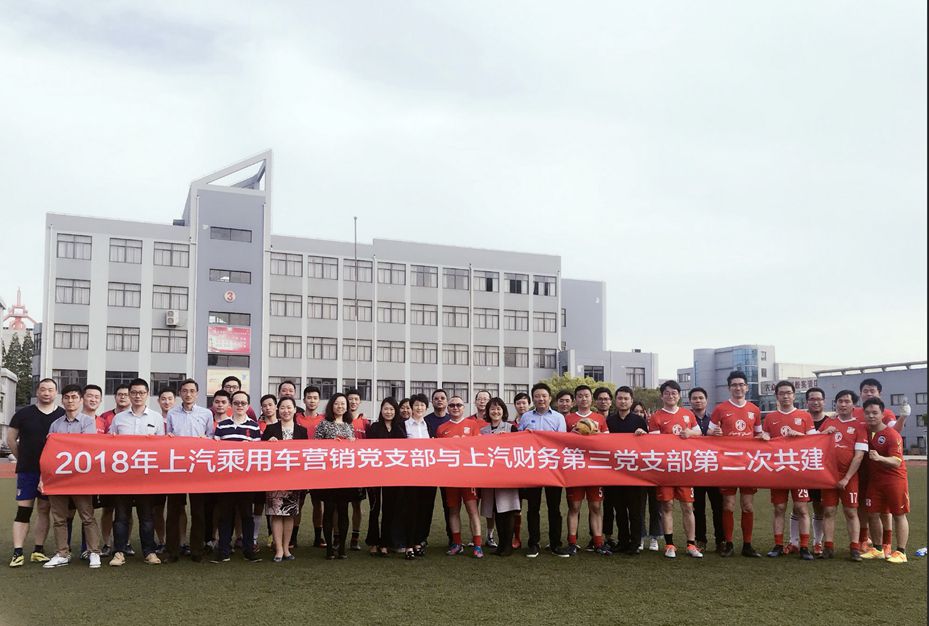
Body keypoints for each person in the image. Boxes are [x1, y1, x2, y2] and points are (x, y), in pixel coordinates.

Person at [641, 380, 703, 559]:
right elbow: (655, 442)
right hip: (665, 468)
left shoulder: (687, 414)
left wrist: (690, 433)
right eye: (667, 393)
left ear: (679, 395)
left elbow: (699, 432)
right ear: (662, 396)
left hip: (684, 467)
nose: (671, 396)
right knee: (667, 505)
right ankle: (669, 545)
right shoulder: (656, 417)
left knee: (688, 506)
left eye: (674, 393)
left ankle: (691, 545)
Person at [42, 384, 102, 569]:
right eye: (67, 397)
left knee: (87, 516)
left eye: (74, 397)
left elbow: (87, 448)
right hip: (58, 479)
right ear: (62, 400)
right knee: (59, 518)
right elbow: (49, 453)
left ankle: (94, 552)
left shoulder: (88, 422)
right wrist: (43, 478)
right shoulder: (55, 424)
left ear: (81, 400)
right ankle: (62, 553)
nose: (70, 400)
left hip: (81, 479)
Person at [708, 371, 765, 558]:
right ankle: (729, 543)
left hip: (748, 464)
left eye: (741, 384)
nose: (738, 387)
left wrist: (763, 436)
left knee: (747, 506)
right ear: (729, 388)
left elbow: (758, 434)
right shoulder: (720, 409)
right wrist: (714, 433)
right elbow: (708, 433)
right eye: (734, 385)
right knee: (728, 505)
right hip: (728, 463)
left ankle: (747, 545)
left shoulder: (754, 410)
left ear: (746, 387)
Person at [7, 378, 63, 568]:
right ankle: (17, 552)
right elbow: (11, 439)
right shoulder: (23, 414)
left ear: (56, 393)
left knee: (44, 510)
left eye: (50, 390)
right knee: (24, 511)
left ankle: (38, 550)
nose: (46, 393)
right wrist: (23, 458)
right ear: (37, 392)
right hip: (28, 471)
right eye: (43, 389)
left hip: (50, 472)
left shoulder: (62, 415)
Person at [109, 378, 165, 566]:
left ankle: (149, 552)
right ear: (129, 395)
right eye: (133, 392)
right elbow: (109, 445)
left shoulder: (156, 418)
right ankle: (119, 552)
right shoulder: (119, 418)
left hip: (146, 476)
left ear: (147, 394)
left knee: (147, 516)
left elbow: (162, 447)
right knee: (121, 516)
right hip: (122, 476)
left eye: (141, 392)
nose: (137, 396)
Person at [759, 381, 817, 560]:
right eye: (782, 393)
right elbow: (765, 440)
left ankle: (804, 546)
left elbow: (815, 442)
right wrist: (764, 437)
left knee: (801, 508)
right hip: (778, 470)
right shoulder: (770, 418)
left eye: (788, 393)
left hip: (799, 470)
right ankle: (778, 544)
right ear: (776, 396)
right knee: (779, 508)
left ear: (794, 395)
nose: (785, 396)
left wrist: (800, 436)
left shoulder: (804, 416)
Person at [852, 377, 907, 554]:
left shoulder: (887, 418)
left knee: (889, 511)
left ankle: (891, 546)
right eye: (865, 390)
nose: (871, 416)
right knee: (867, 508)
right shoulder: (855, 413)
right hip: (864, 471)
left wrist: (903, 416)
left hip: (890, 475)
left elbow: (894, 430)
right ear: (860, 393)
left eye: (872, 390)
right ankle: (868, 542)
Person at [164, 378, 214, 563]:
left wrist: (206, 439)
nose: (188, 394)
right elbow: (168, 436)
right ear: (180, 393)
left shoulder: (206, 413)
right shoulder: (172, 413)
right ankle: (172, 550)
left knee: (198, 511)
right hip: (177, 468)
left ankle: (196, 550)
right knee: (174, 511)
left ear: (197, 394)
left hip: (198, 467)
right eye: (185, 391)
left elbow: (211, 437)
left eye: (192, 391)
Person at [518, 383, 569, 558]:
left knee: (554, 508)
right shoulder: (525, 417)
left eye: (544, 396)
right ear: (533, 399)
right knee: (533, 508)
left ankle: (555, 544)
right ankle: (533, 544)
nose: (541, 399)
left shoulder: (558, 418)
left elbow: (562, 442)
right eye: (537, 396)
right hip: (532, 469)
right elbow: (518, 441)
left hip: (553, 469)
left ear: (550, 398)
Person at [211, 390, 261, 564]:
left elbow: (259, 453)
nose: (240, 406)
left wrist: (249, 448)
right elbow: (215, 451)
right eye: (236, 403)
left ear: (248, 406)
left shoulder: (254, 426)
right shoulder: (222, 425)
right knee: (225, 516)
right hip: (226, 480)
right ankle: (223, 551)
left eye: (243, 403)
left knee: (247, 516)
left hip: (246, 480)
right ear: (231, 405)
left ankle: (249, 550)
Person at [817, 390, 868, 561]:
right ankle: (828, 547)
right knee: (828, 511)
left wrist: (846, 478)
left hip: (849, 477)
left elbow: (859, 456)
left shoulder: (860, 426)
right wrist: (823, 433)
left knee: (851, 511)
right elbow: (815, 444)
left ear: (854, 404)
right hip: (828, 477)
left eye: (847, 401)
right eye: (840, 401)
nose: (843, 404)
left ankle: (854, 548)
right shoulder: (828, 422)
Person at [563, 384, 609, 556]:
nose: (583, 398)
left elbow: (608, 441)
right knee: (574, 506)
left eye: (586, 396)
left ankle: (598, 543)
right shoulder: (568, 419)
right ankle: (572, 543)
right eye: (580, 396)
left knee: (595, 506)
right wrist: (572, 435)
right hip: (575, 468)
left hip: (595, 468)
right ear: (575, 400)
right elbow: (560, 441)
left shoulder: (599, 418)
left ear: (591, 399)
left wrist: (597, 434)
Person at [436, 395, 484, 558]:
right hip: (450, 478)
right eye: (452, 405)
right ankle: (457, 543)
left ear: (463, 408)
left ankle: (477, 545)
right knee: (453, 510)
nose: (455, 408)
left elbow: (479, 448)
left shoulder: (472, 425)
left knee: (472, 510)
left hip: (468, 477)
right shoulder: (442, 428)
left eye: (458, 405)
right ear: (448, 408)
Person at [262, 396, 307, 562]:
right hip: (274, 479)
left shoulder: (302, 431)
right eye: (282, 408)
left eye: (289, 407)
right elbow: (260, 452)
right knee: (276, 514)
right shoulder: (270, 429)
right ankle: (278, 549)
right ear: (277, 410)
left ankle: (287, 548)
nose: (286, 411)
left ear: (295, 410)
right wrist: (268, 443)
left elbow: (306, 454)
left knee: (289, 514)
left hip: (294, 479)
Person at [606, 387, 649, 555]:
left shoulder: (639, 421)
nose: (623, 401)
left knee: (635, 511)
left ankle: (635, 543)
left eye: (626, 399)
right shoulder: (609, 421)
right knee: (619, 510)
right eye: (620, 398)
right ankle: (623, 541)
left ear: (631, 401)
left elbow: (649, 445)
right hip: (615, 473)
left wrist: (643, 434)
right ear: (615, 401)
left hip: (635, 474)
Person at [314, 393, 355, 560]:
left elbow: (354, 451)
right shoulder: (323, 424)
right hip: (328, 476)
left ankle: (342, 547)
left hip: (345, 476)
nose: (340, 406)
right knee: (329, 511)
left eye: (343, 404)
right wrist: (331, 444)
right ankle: (329, 548)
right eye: (337, 403)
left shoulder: (349, 426)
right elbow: (316, 448)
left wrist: (351, 443)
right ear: (331, 406)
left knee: (344, 511)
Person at [365, 398, 408, 557]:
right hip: (374, 474)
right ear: (381, 410)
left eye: (391, 409)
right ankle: (373, 542)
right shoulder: (374, 427)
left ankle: (385, 543)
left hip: (394, 476)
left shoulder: (400, 428)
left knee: (390, 509)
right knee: (374, 509)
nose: (388, 412)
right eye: (385, 409)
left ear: (395, 411)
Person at [480, 398, 521, 557]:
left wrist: (508, 440)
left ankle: (507, 545)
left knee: (508, 510)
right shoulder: (483, 431)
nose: (495, 412)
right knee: (495, 510)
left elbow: (519, 448)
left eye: (498, 409)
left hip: (507, 477)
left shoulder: (511, 428)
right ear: (488, 412)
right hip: (489, 477)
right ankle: (500, 544)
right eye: (492, 409)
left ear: (503, 411)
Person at [690, 387, 724, 554]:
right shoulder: (686, 420)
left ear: (706, 400)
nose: (698, 401)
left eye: (701, 398)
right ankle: (700, 540)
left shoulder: (715, 420)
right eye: (694, 398)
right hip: (694, 470)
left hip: (714, 470)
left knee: (718, 507)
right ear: (690, 401)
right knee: (698, 508)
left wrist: (721, 433)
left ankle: (721, 540)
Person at [402, 394, 433, 559]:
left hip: (428, 475)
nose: (419, 408)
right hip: (410, 475)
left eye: (422, 405)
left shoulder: (430, 426)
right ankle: (408, 545)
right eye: (416, 405)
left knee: (424, 509)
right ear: (411, 407)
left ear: (426, 408)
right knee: (411, 509)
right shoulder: (404, 425)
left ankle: (418, 542)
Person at [296, 385, 325, 550]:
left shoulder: (324, 419)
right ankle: (293, 538)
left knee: (317, 503)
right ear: (304, 400)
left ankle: (318, 537)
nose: (312, 401)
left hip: (317, 466)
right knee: (298, 503)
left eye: (315, 398)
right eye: (309, 398)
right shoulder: (296, 418)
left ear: (319, 401)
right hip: (299, 467)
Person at [803, 387, 829, 556]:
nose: (816, 402)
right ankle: (794, 542)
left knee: (819, 506)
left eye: (819, 399)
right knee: (799, 506)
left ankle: (817, 542)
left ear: (824, 401)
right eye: (812, 399)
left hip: (821, 472)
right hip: (802, 470)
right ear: (807, 402)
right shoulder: (801, 419)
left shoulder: (831, 422)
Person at [151, 387, 176, 555]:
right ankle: (162, 541)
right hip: (156, 471)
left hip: (176, 471)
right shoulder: (154, 418)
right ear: (158, 401)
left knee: (177, 510)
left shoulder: (179, 418)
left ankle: (180, 541)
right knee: (157, 509)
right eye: (163, 399)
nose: (167, 402)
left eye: (170, 399)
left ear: (175, 400)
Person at [509, 391, 531, 549]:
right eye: (518, 403)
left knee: (534, 506)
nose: (521, 406)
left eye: (524, 403)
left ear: (529, 404)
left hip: (533, 468)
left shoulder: (533, 421)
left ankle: (534, 538)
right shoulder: (511, 424)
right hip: (515, 469)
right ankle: (516, 537)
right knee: (517, 506)